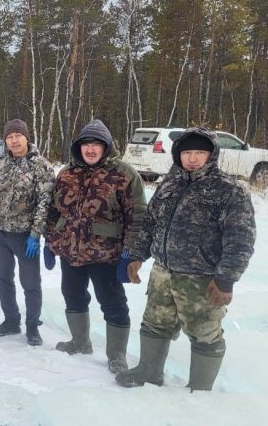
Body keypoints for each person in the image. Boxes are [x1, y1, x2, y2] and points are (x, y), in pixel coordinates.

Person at [116, 128, 255, 391]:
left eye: (199, 152)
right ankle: (148, 372)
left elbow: (241, 240)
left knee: (205, 333)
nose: (192, 158)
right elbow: (151, 224)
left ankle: (200, 390)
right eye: (187, 152)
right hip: (163, 273)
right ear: (178, 154)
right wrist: (137, 256)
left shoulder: (228, 190)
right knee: (155, 323)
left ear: (211, 154)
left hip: (201, 279)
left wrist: (225, 279)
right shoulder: (169, 183)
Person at [45, 119, 146, 373]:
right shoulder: (67, 173)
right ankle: (80, 342)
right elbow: (54, 212)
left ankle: (116, 355)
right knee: (73, 295)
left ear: (106, 147)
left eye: (96, 145)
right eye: (86, 144)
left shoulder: (123, 174)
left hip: (107, 254)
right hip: (70, 251)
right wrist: (51, 242)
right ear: (78, 147)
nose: (90, 149)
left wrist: (129, 254)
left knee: (113, 303)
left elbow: (138, 216)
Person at [0, 119, 54, 345]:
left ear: (26, 138)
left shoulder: (41, 166)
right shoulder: (1, 166)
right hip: (0, 233)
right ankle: (11, 320)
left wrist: (35, 234)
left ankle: (32, 326)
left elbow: (45, 202)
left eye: (17, 136)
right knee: (2, 278)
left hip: (25, 236)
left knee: (30, 283)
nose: (14, 140)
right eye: (9, 137)